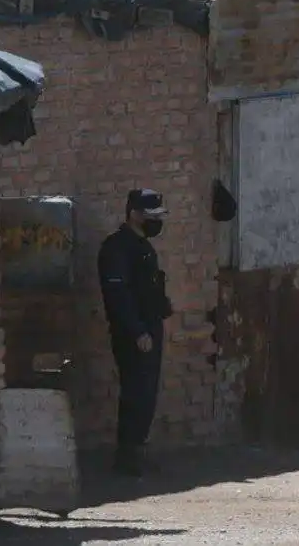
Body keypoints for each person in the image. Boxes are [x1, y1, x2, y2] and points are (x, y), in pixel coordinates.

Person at [97, 188, 173, 476]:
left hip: (149, 328)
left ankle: (137, 450)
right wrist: (137, 331)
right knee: (135, 393)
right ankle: (127, 457)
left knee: (147, 394)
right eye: (150, 216)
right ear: (134, 214)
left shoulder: (143, 247)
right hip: (133, 333)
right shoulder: (116, 248)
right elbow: (118, 296)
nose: (156, 222)